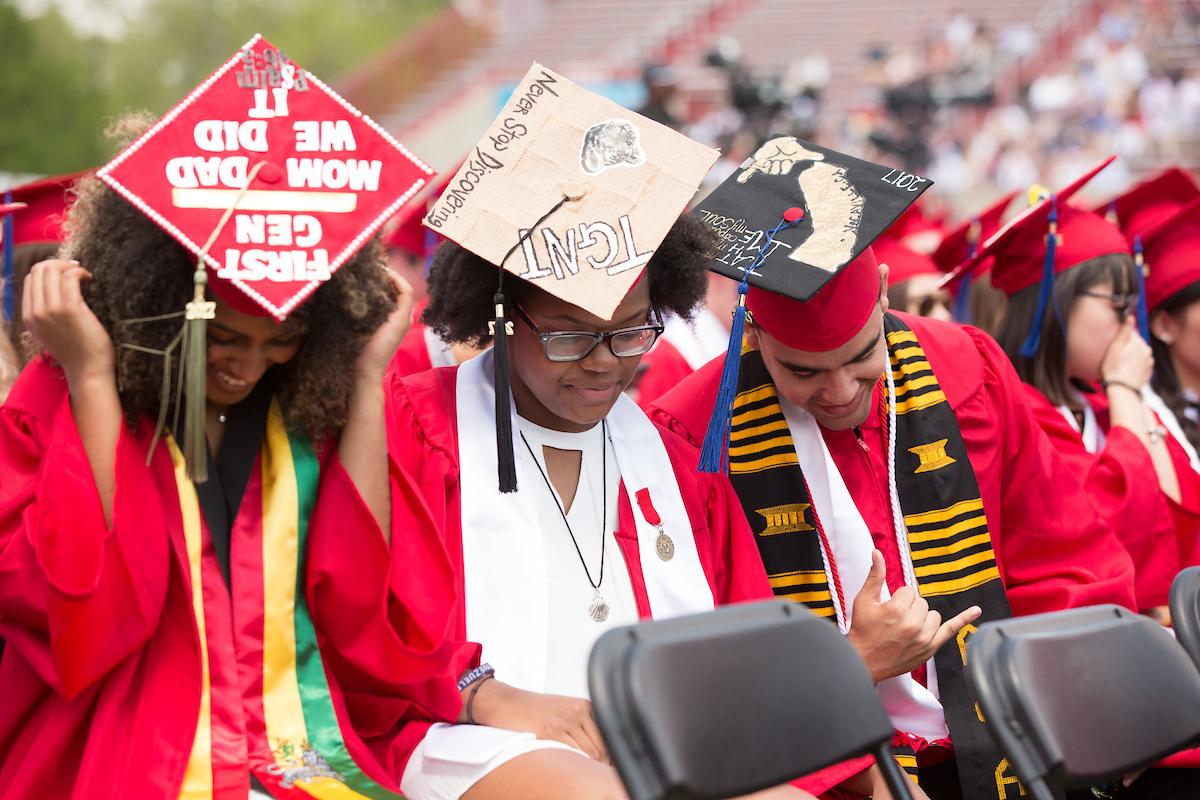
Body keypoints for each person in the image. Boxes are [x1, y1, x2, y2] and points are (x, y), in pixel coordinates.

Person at [311, 67, 905, 800]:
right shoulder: (414, 427)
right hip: (468, 736)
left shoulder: (674, 458)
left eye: (631, 333)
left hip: (656, 745)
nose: (602, 365)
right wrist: (485, 695)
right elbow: (360, 614)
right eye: (568, 337)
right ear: (498, 318)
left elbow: (740, 649)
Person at [0, 39, 446, 798]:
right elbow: (88, 612)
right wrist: (94, 375)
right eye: (225, 339)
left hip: (290, 748)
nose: (250, 366)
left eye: (283, 340)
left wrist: (369, 377)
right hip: (123, 738)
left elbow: (361, 600)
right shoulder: (60, 395)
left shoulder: (302, 407)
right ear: (165, 306)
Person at [651, 135, 1137, 800]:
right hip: (830, 771)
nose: (842, 392)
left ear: (883, 296)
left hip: (1013, 739)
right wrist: (850, 663)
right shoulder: (695, 429)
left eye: (860, 358)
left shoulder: (965, 368)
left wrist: (1079, 707)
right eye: (803, 371)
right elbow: (712, 666)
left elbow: (1058, 554)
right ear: (752, 330)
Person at [981, 158, 1199, 621]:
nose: (1129, 325)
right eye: (1118, 304)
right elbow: (1116, 528)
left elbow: (1179, 527)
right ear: (1052, 302)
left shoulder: (1096, 406)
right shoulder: (1018, 411)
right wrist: (1123, 389)